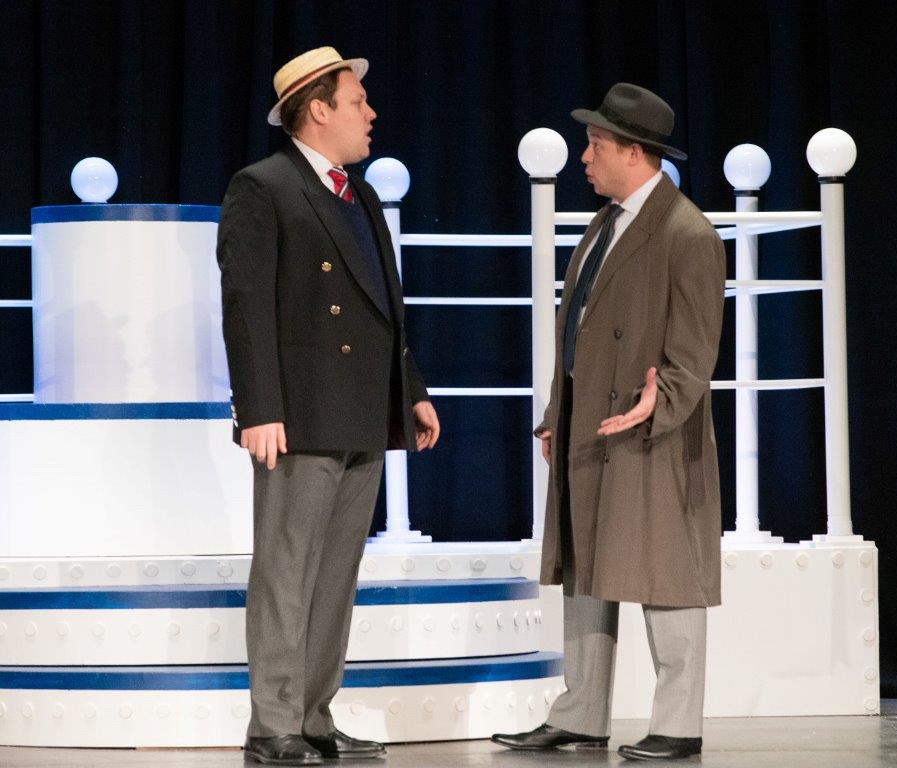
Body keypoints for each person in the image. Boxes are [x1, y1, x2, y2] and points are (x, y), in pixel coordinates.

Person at [217, 46, 439, 766]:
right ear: (318, 110)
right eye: (356, 102)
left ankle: (313, 715)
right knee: (287, 573)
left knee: (336, 577)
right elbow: (246, 304)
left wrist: (411, 391)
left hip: (362, 412)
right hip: (300, 416)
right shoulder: (264, 187)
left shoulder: (359, 195)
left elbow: (385, 310)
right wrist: (258, 407)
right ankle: (272, 725)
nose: (370, 113)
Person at [492, 83, 725, 761]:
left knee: (666, 572)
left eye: (596, 144)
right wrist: (555, 413)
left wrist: (662, 401)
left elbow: (695, 349)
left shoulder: (687, 233)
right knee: (586, 566)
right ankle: (581, 713)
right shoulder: (605, 223)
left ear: (635, 152)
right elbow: (579, 330)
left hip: (653, 432)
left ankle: (678, 723)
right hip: (592, 424)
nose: (584, 157)